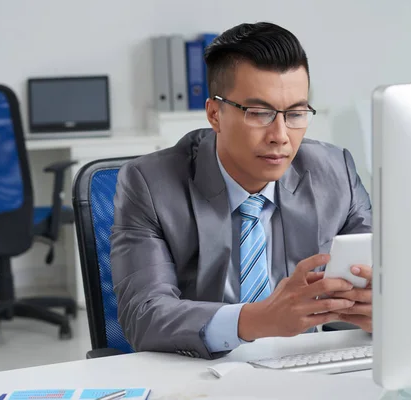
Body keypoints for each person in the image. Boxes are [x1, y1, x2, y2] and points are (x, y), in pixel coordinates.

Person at [110, 21, 372, 360]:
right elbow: (144, 316)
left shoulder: (334, 172)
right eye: (259, 113)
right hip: (197, 371)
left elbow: (386, 275)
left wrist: (381, 308)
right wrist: (259, 320)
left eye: (295, 113)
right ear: (215, 114)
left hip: (304, 368)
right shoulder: (149, 184)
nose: (280, 135)